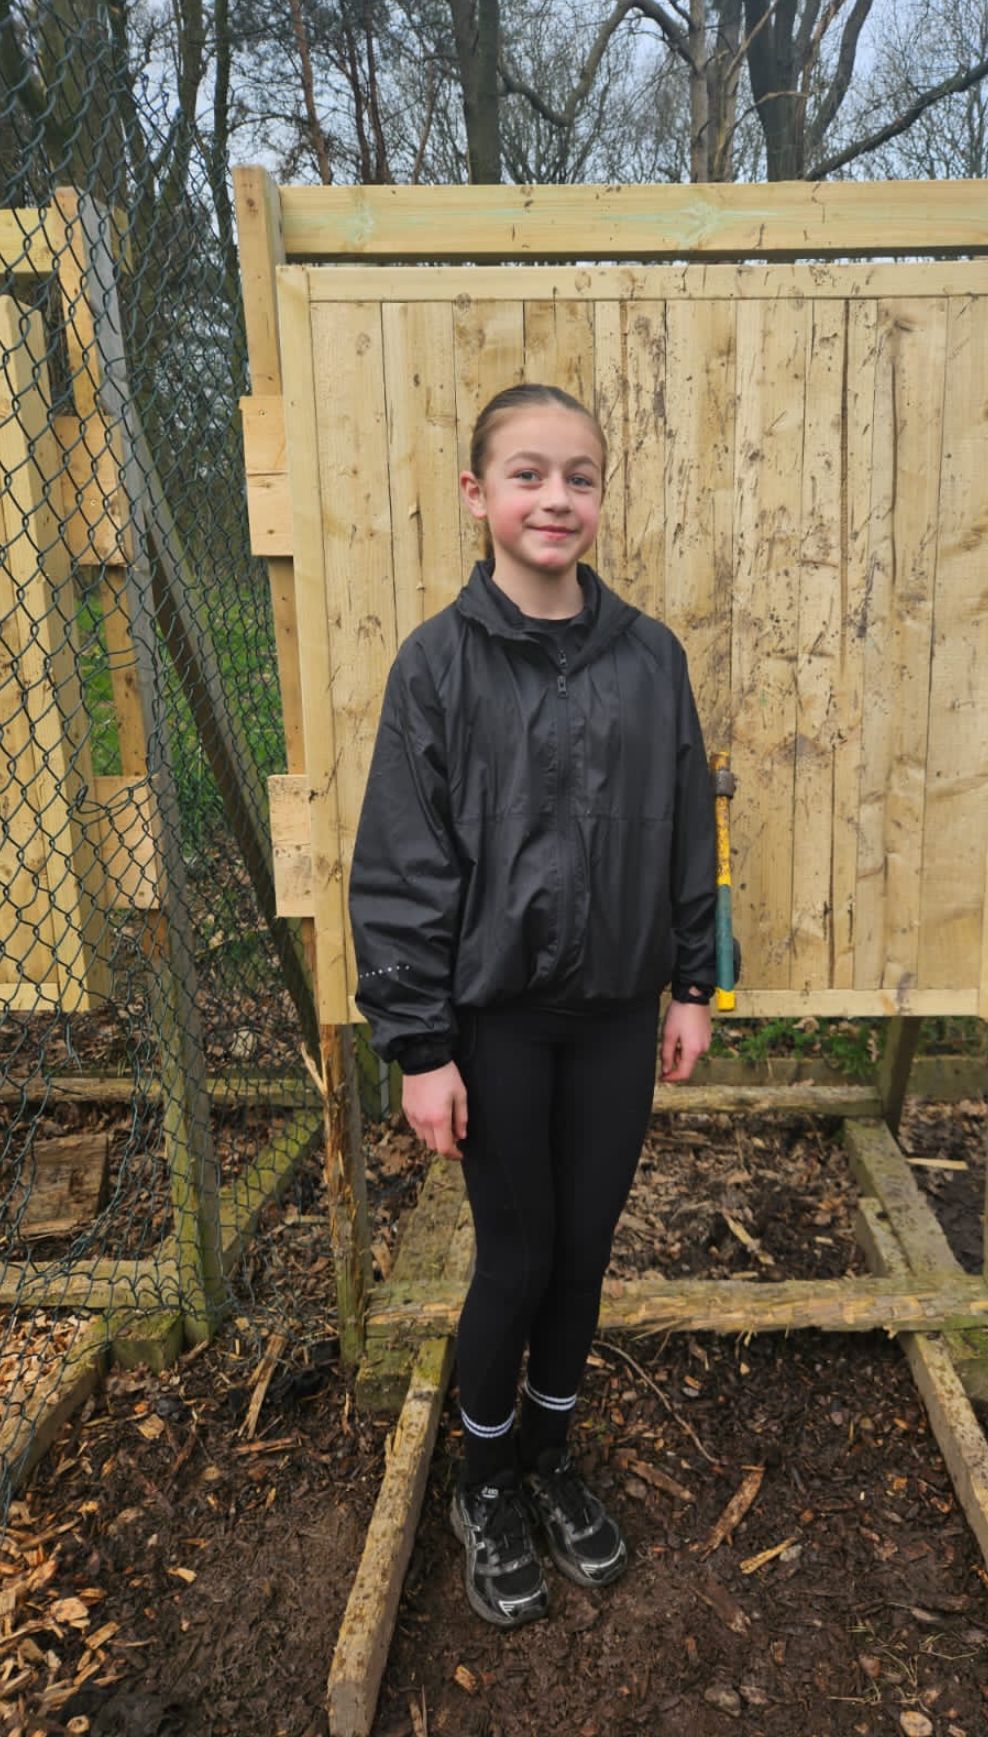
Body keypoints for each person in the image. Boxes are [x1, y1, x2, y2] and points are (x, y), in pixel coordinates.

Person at [348, 382, 717, 1629]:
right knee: (517, 1253)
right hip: (494, 1024)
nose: (555, 498)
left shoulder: (650, 659)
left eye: (579, 477)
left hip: (612, 1018)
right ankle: (484, 1480)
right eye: (527, 474)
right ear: (477, 495)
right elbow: (401, 865)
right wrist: (419, 1047)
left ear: (600, 497)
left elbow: (687, 829)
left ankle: (551, 1458)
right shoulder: (437, 665)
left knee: (586, 1248)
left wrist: (691, 981)